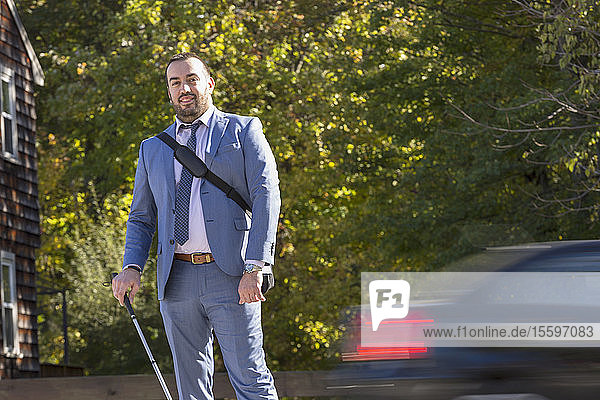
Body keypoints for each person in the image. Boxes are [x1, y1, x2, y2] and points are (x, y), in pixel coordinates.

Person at [112, 52, 280, 400]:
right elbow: (142, 217)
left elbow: (267, 197)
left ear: (209, 83)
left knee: (250, 377)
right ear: (170, 92)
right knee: (190, 388)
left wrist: (256, 266)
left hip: (233, 274)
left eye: (191, 79)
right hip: (177, 280)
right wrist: (131, 266)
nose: (184, 88)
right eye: (175, 82)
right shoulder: (152, 149)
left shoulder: (243, 129)